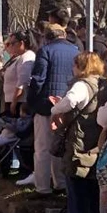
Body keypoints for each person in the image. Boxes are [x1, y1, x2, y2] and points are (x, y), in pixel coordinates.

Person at [50, 52, 107, 213]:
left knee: (76, 181)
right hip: (98, 136)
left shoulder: (81, 85)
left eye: (75, 65)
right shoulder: (105, 84)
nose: (73, 68)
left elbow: (70, 102)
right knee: (92, 183)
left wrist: (55, 109)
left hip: (80, 137)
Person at [27, 25, 79, 196]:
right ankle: (60, 184)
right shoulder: (75, 50)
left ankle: (42, 187)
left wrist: (32, 102)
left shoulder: (45, 51)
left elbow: (38, 79)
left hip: (45, 105)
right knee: (60, 146)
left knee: (43, 148)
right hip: (69, 103)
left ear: (46, 37)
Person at [2, 31, 36, 116]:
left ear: (21, 43)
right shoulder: (21, 57)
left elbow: (22, 82)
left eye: (12, 43)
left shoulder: (27, 57)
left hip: (19, 101)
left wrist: (14, 101)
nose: (11, 46)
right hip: (11, 99)